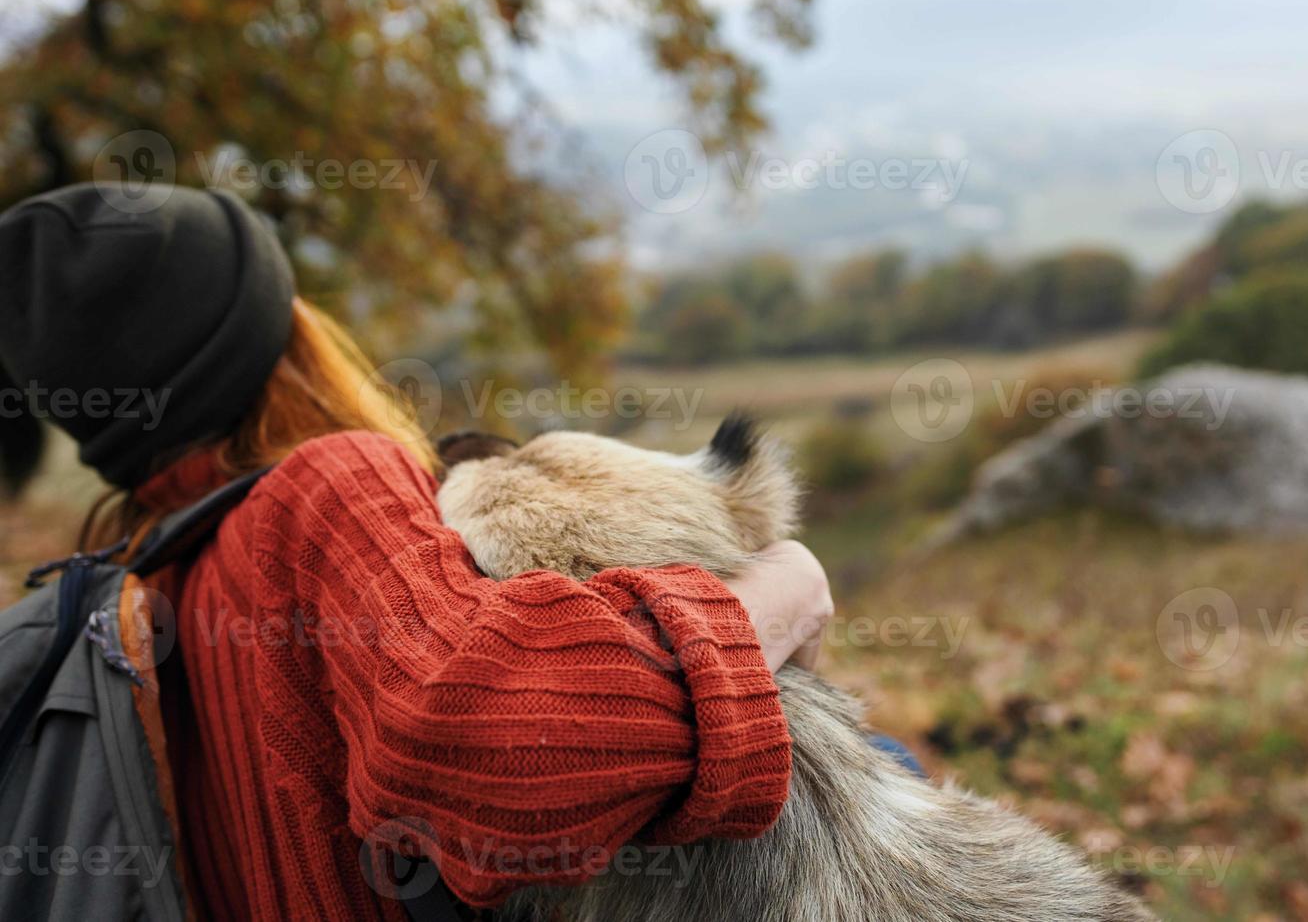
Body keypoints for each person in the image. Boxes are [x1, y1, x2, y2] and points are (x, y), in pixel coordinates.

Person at [0, 183, 833, 920]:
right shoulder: (325, 489)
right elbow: (502, 746)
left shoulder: (140, 589)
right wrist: (781, 592)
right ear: (288, 338)